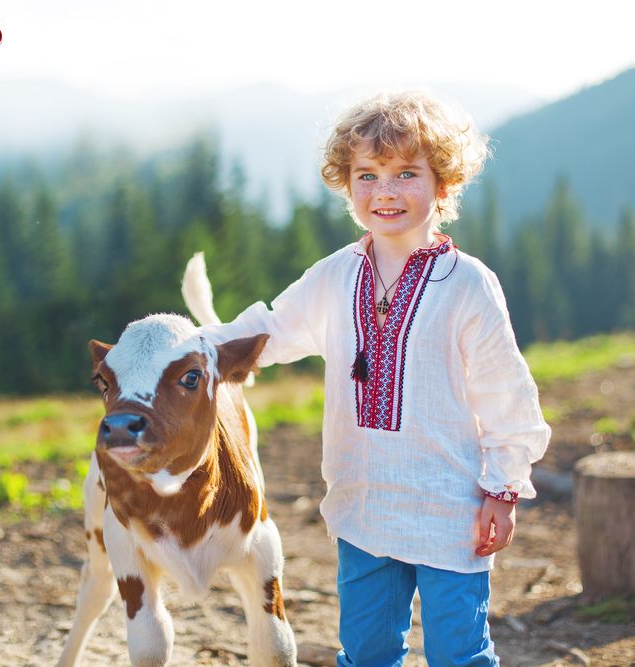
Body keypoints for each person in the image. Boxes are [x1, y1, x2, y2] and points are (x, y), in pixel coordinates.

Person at [198, 90, 551, 666]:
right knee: (365, 654)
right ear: (348, 184)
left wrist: (502, 488)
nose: (385, 191)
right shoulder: (335, 277)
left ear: (443, 184)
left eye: (406, 173)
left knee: (459, 654)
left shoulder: (467, 284)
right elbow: (268, 329)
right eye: (367, 175)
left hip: (450, 510)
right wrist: (184, 347)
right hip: (364, 507)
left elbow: (506, 394)